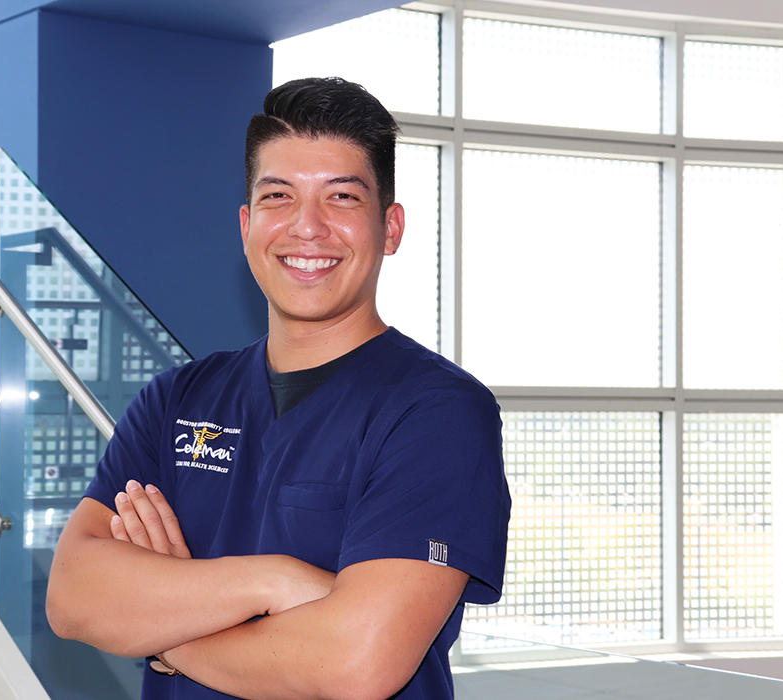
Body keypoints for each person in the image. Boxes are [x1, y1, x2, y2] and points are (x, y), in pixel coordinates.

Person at [47, 77, 511, 700]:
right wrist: (274, 580)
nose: (307, 228)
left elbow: (354, 664)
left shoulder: (435, 414)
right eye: (278, 196)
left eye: (342, 197)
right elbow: (73, 597)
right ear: (246, 226)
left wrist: (164, 632)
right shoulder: (177, 400)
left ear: (391, 227)